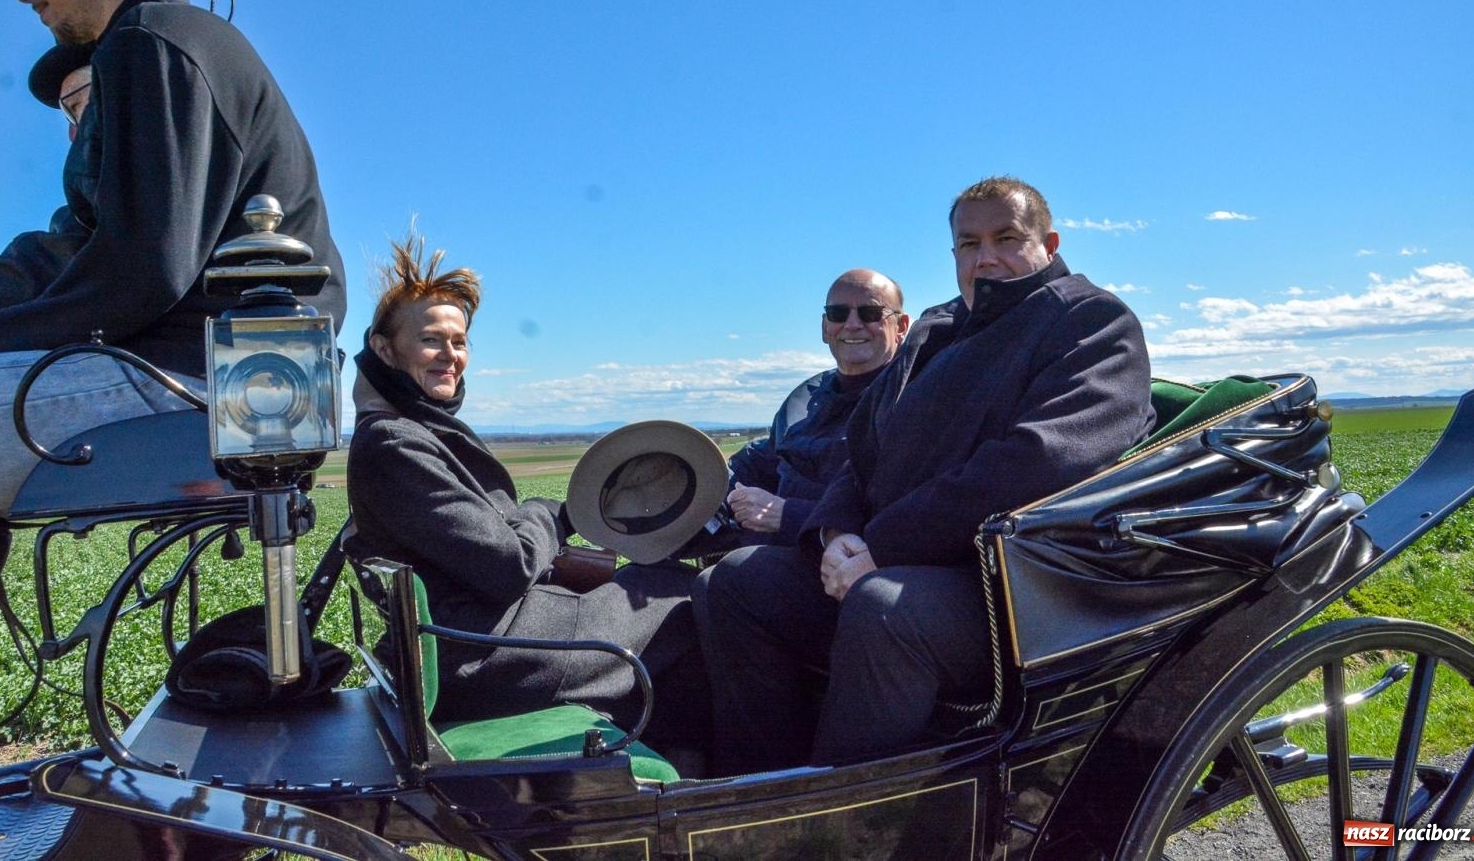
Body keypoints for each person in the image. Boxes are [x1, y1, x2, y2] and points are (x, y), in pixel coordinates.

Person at [0, 0, 346, 783]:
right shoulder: (166, 48)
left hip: (195, 383)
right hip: (209, 377)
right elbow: (65, 257)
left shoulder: (152, 43)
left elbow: (138, 272)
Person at [693, 176, 1157, 774]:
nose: (985, 258)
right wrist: (836, 533)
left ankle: (842, 814)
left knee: (884, 607)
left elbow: (1039, 461)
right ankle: (757, 786)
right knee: (736, 581)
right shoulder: (940, 328)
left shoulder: (1091, 323)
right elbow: (865, 449)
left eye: (1007, 238)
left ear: (1049, 244)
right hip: (894, 558)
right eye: (968, 243)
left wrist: (880, 547)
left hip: (1012, 586)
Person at [345, 235, 707, 757]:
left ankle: (679, 762)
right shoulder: (394, 443)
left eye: (459, 342)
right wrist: (552, 513)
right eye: (430, 340)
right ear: (384, 349)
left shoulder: (410, 432)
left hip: (478, 635)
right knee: (689, 598)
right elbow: (508, 565)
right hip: (479, 653)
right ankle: (720, 769)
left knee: (661, 581)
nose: (450, 356)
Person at [719, 269, 909, 545]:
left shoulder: (912, 400)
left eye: (870, 313)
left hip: (843, 557)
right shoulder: (805, 399)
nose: (852, 324)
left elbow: (903, 512)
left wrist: (788, 515)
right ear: (824, 327)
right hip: (770, 546)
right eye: (838, 313)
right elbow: (757, 462)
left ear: (901, 327)